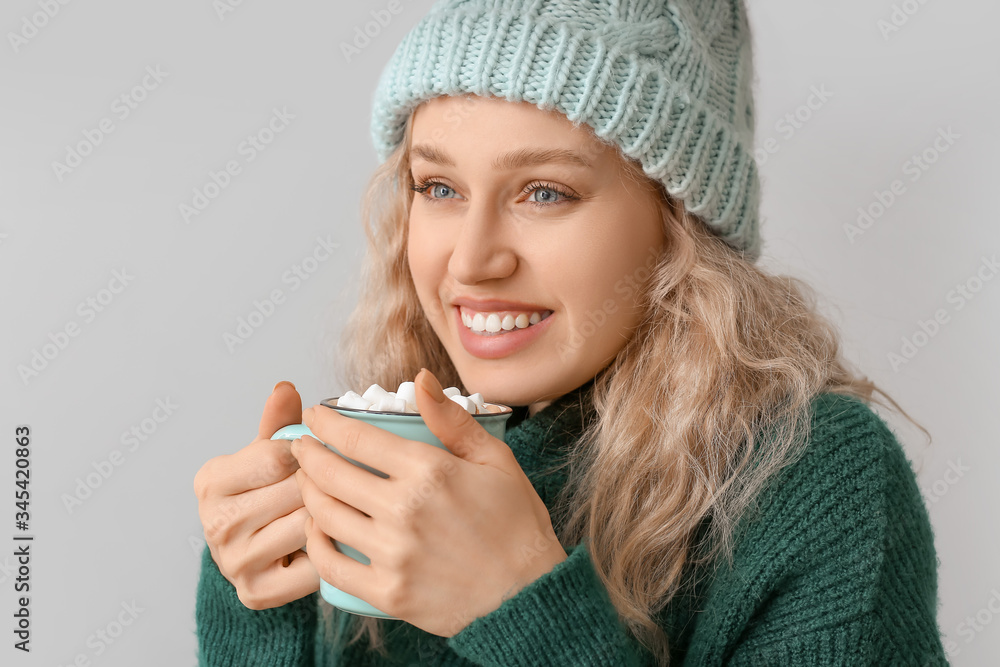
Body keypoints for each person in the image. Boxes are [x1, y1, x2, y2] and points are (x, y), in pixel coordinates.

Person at [193, 0, 950, 664]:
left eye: (545, 191)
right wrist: (262, 612)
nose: (472, 258)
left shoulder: (815, 481)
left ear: (678, 223)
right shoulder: (383, 457)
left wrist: (521, 607)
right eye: (440, 187)